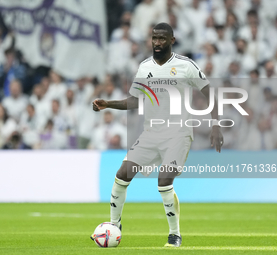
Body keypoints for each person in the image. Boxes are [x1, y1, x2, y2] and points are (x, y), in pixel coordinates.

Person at [91, 23, 223, 247]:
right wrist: (108, 104)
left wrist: (216, 125)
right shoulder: (144, 68)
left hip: (178, 133)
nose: (157, 43)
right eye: (154, 38)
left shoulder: (186, 66)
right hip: (151, 132)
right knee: (122, 174)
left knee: (164, 180)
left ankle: (175, 234)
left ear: (172, 40)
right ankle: (114, 225)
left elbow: (210, 93)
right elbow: (135, 100)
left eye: (162, 39)